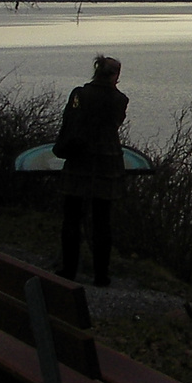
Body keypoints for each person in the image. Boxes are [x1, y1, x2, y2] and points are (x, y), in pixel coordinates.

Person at [53, 55, 129, 286]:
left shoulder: (79, 94)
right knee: (102, 220)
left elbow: (69, 121)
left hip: (79, 158)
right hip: (107, 160)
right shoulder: (120, 100)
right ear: (115, 75)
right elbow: (115, 124)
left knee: (72, 218)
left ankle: (68, 270)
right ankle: (101, 275)